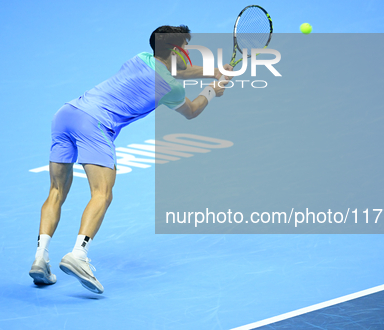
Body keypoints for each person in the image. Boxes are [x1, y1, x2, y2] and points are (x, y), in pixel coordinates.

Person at [29, 25, 232, 293]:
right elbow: (192, 110)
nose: (189, 53)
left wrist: (212, 71)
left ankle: (40, 259)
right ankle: (78, 255)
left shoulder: (141, 58)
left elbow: (179, 70)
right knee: (102, 194)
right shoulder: (169, 88)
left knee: (56, 191)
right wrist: (212, 89)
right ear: (175, 50)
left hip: (66, 114)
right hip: (95, 124)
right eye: (186, 47)